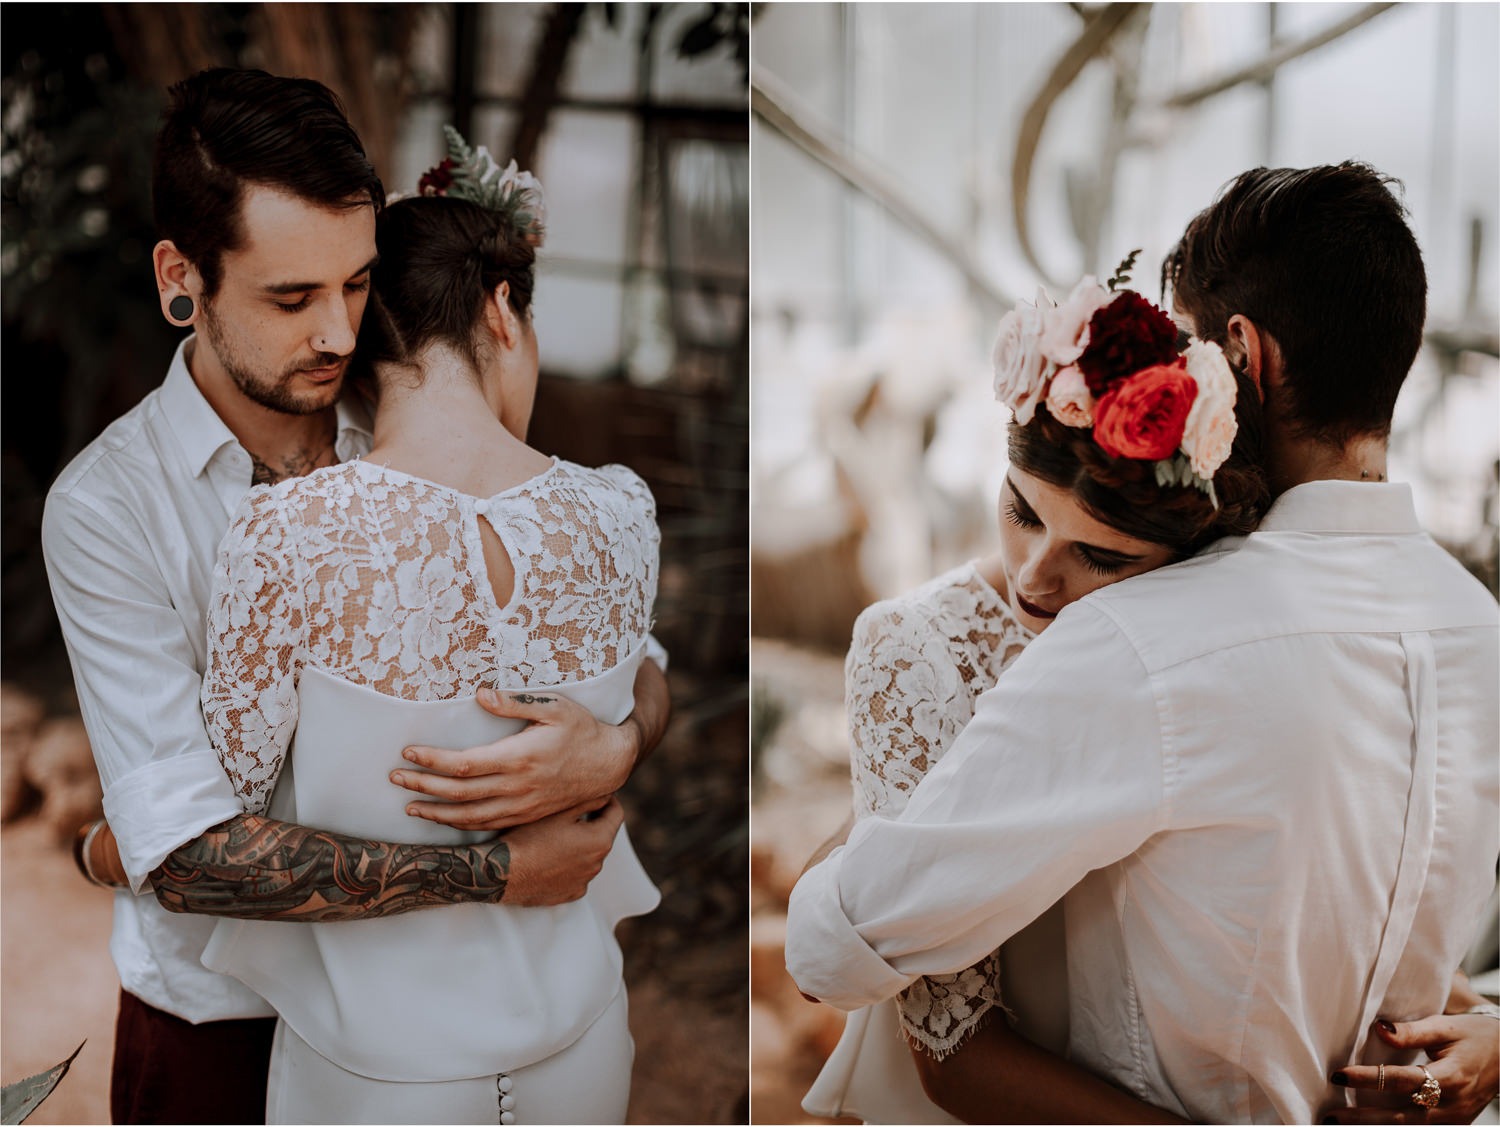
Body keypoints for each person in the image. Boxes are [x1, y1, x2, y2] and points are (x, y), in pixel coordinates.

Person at [786, 163, 1500, 1124]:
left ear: (1244, 355)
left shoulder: (1148, 645)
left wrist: (899, 785)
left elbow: (832, 950)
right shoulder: (1482, 633)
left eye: (1192, 351)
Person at [42, 68, 667, 1125]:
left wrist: (619, 745)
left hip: (472, 1023)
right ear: (179, 278)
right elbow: (194, 853)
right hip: (219, 1016)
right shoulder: (108, 508)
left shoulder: (417, 422)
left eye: (359, 283)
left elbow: (633, 661)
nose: (340, 333)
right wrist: (494, 869)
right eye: (292, 298)